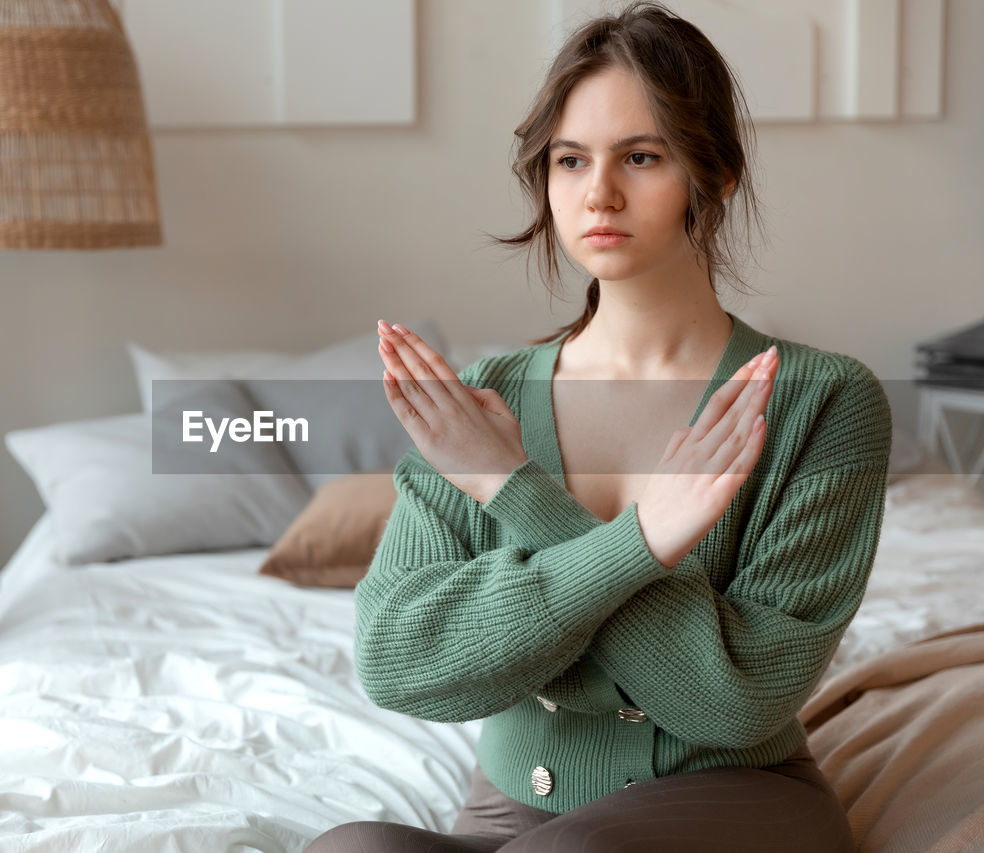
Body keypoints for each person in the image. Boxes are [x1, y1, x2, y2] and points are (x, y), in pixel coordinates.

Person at [306, 2, 889, 852]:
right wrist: (640, 541)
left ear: (716, 174)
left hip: (733, 800)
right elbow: (397, 659)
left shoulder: (822, 400)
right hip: (512, 812)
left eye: (641, 157)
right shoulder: (483, 400)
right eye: (570, 159)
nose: (598, 192)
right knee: (351, 849)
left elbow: (735, 702)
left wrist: (518, 491)